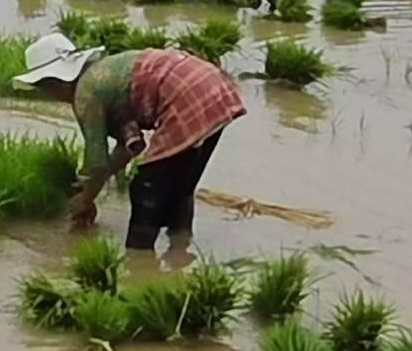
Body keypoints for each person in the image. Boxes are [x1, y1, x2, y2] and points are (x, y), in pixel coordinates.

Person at [14, 31, 245, 252]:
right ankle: (180, 251)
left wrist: (85, 197)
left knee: (146, 190)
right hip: (214, 85)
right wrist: (95, 185)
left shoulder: (85, 92)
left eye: (43, 89)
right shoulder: (107, 75)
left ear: (55, 83)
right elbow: (130, 147)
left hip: (185, 94)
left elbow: (96, 159)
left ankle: (138, 261)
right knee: (180, 186)